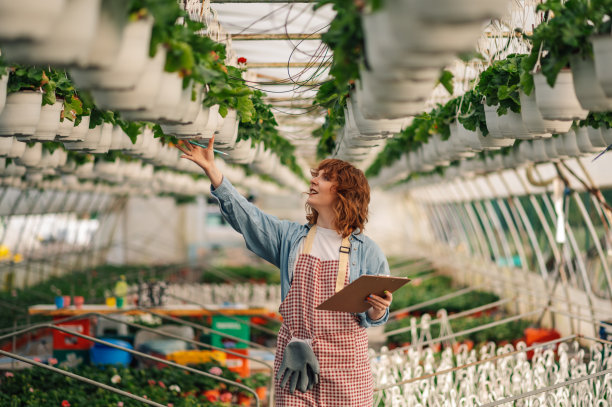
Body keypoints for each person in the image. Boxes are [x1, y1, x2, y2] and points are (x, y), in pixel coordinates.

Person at [176, 137, 392, 406]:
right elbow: (248, 218)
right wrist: (214, 172)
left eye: (324, 178)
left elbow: (374, 317)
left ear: (344, 193)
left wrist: (378, 309)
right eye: (316, 176)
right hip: (296, 360)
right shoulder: (291, 238)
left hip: (346, 364)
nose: (313, 181)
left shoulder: (367, 251)